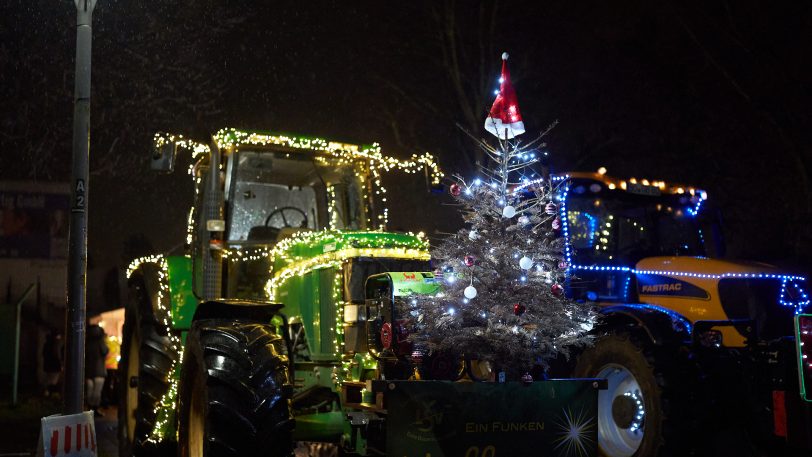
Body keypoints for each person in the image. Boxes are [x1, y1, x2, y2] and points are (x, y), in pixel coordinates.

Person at [85, 322, 109, 416]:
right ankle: (95, 410)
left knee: (90, 390)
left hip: (89, 370)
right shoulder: (100, 341)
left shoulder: (87, 342)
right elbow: (105, 351)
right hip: (99, 370)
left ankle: (89, 409)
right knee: (97, 392)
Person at [42, 329, 63, 397]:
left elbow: (43, 353)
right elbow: (57, 354)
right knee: (53, 380)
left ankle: (46, 392)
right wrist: (60, 364)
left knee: (48, 379)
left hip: (47, 365)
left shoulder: (47, 342)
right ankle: (49, 393)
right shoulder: (56, 343)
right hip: (54, 365)